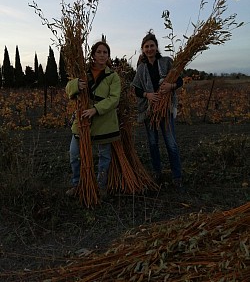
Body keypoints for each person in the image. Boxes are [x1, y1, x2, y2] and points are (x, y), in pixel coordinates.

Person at [65, 41, 121, 196]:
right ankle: (77, 185)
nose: (102, 55)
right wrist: (76, 84)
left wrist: (95, 109)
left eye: (105, 52)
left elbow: (114, 98)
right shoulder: (83, 73)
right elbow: (68, 88)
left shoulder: (113, 76)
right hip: (83, 120)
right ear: (93, 55)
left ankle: (100, 186)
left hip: (104, 121)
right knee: (74, 154)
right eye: (99, 52)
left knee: (104, 155)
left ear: (108, 56)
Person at [132, 31, 183, 190]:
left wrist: (171, 86)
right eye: (146, 46)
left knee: (171, 143)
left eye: (152, 46)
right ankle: (157, 173)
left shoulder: (167, 62)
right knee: (153, 143)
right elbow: (136, 89)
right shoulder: (141, 68)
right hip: (150, 112)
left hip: (165, 111)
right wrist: (147, 95)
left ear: (156, 47)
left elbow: (179, 80)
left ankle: (177, 176)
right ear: (143, 49)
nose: (149, 49)